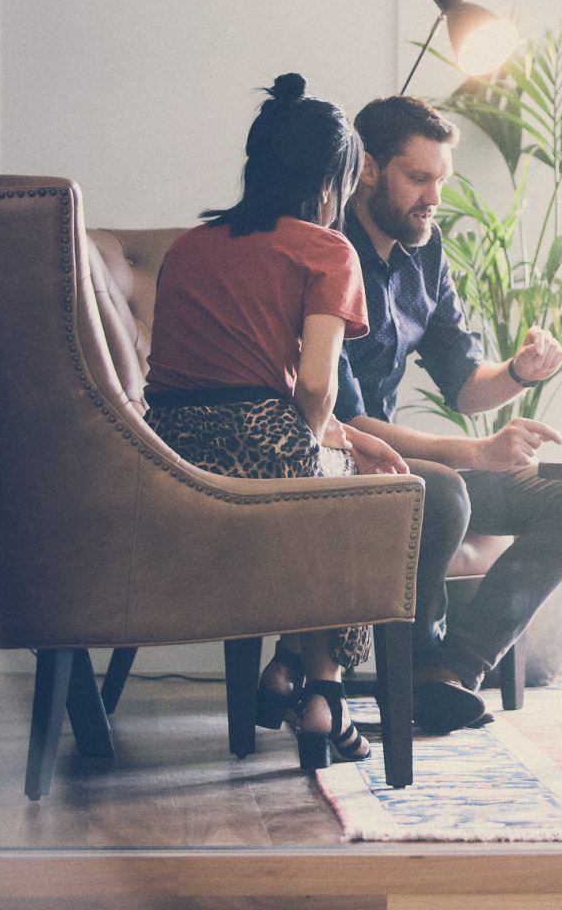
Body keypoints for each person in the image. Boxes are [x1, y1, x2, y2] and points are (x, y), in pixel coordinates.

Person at [144, 73, 407, 770]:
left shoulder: (188, 247)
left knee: (325, 481)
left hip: (165, 456)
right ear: (332, 180)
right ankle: (322, 689)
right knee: (350, 503)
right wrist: (342, 442)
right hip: (261, 439)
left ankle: (288, 675)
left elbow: (209, 384)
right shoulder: (327, 251)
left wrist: (347, 437)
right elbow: (316, 386)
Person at [335, 95, 562, 735]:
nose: (434, 197)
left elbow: (464, 385)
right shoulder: (327, 253)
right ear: (369, 170)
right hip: (344, 457)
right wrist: (481, 453)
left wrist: (519, 372)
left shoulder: (424, 252)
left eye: (442, 181)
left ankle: (451, 671)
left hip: (403, 462)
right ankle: (419, 671)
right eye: (419, 179)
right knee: (444, 490)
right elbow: (347, 421)